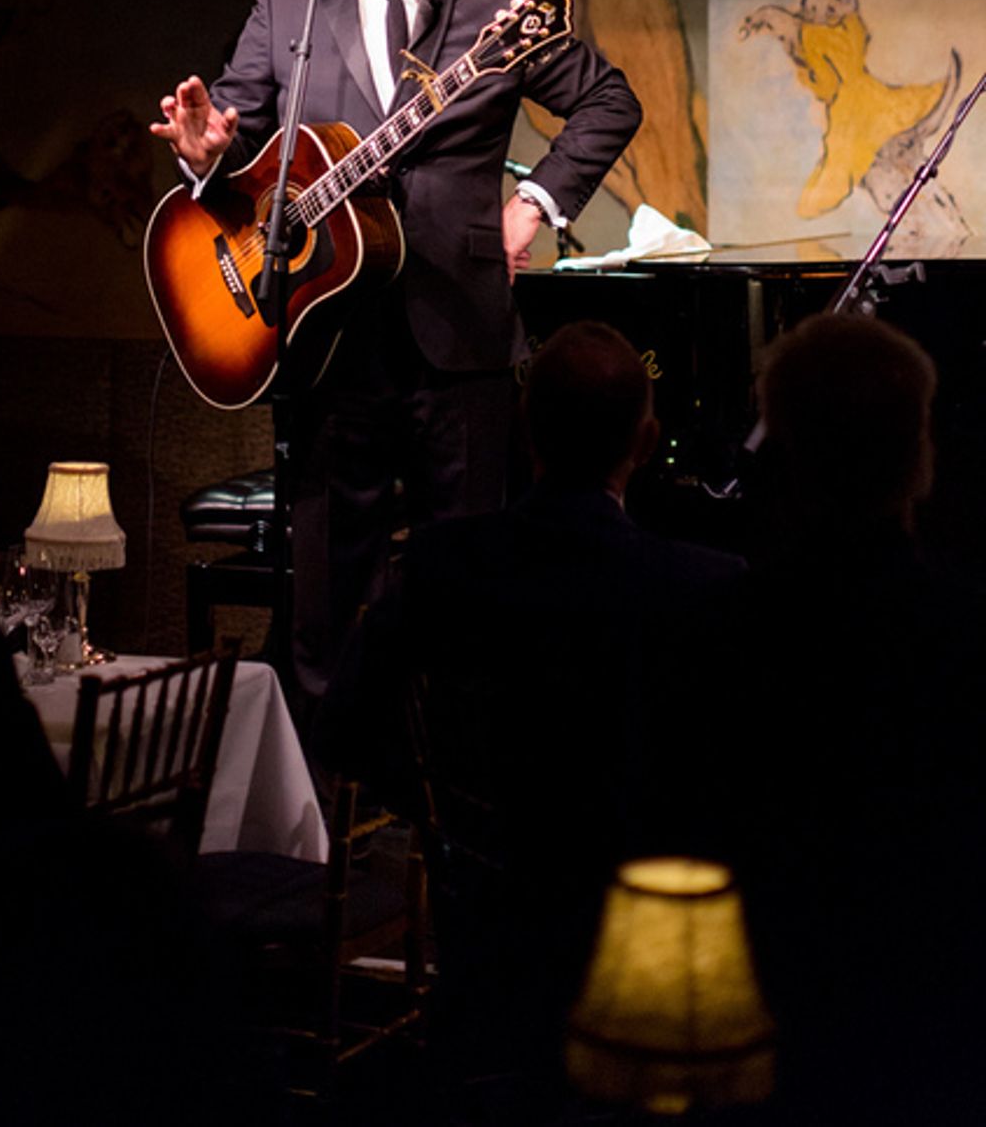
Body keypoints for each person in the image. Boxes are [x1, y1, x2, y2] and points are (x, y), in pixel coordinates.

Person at [151, 0, 642, 724]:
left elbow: (610, 102)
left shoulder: (499, 12)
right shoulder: (287, 8)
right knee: (330, 573)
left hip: (457, 322)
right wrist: (202, 151)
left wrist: (534, 204)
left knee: (465, 562)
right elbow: (232, 130)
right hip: (324, 333)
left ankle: (453, 772)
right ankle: (330, 784)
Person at [316, 319, 748, 1121]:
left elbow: (345, 722)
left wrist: (446, 823)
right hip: (653, 968)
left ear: (523, 426)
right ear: (647, 440)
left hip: (485, 942)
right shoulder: (708, 589)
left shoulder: (444, 565)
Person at [735, 312, 986, 1127]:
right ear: (921, 457)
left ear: (786, 459)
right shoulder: (961, 630)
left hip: (765, 1029)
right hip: (945, 1034)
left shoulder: (721, 631)